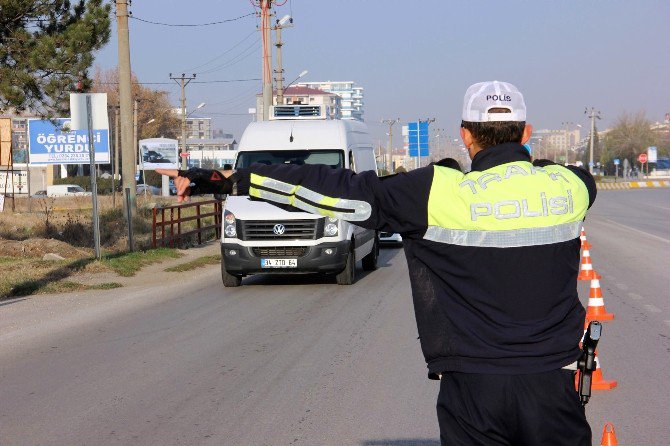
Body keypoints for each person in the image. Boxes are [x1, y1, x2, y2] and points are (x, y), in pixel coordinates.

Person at [159, 81, 596, 445]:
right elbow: (571, 177)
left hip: (473, 390)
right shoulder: (570, 187)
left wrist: (232, 180)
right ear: (527, 132)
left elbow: (334, 189)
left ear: (465, 135)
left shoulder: (434, 191)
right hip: (552, 384)